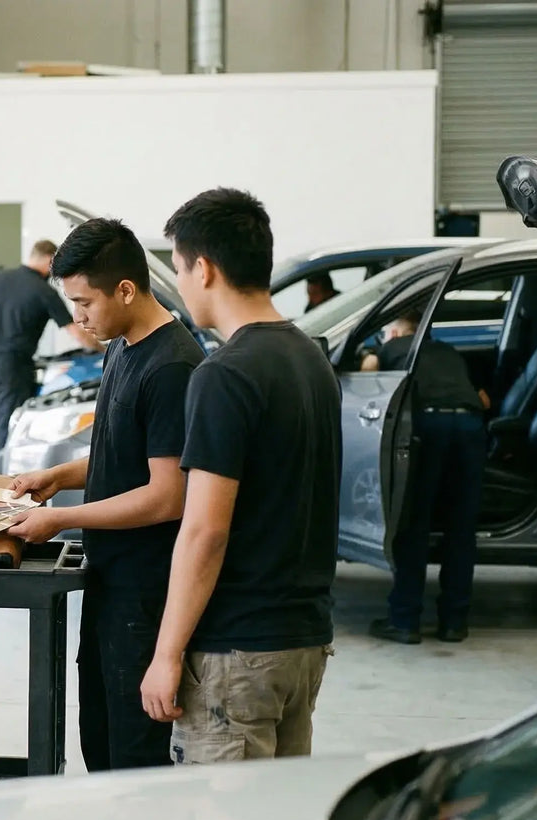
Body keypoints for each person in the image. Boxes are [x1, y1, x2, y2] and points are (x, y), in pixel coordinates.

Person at [139, 188, 341, 764]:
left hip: (237, 652)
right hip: (302, 642)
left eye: (177, 268)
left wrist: (167, 654)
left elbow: (205, 530)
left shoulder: (224, 374)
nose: (178, 283)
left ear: (203, 268)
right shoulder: (310, 357)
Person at [6, 218, 203, 771]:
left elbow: (168, 495)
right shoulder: (122, 345)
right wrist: (60, 478)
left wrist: (58, 520)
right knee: (100, 736)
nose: (78, 317)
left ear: (125, 289)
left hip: (147, 591)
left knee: (135, 756)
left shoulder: (173, 367)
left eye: (85, 302)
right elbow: (124, 458)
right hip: (110, 577)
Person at [361, 309, 488, 644]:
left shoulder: (396, 349)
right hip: (470, 426)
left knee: (414, 521)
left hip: (429, 426)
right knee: (461, 529)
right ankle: (454, 623)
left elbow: (368, 374)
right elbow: (481, 396)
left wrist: (373, 354)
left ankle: (404, 620)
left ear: (399, 332)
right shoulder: (448, 352)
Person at [0, 240, 103, 473]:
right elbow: (76, 331)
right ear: (50, 261)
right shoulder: (44, 291)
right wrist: (105, 349)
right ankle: (3, 484)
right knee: (9, 424)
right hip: (14, 365)